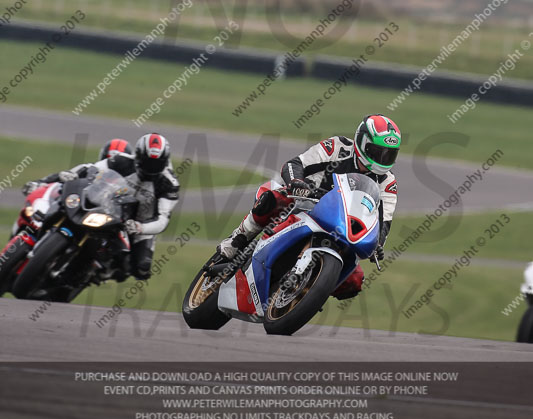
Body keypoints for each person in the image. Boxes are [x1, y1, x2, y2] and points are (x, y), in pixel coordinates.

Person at [218, 114, 401, 300]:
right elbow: (295, 164)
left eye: (389, 154)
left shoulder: (388, 182)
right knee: (273, 200)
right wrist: (297, 182)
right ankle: (238, 238)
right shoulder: (337, 147)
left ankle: (308, 292)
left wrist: (378, 243)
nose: (383, 159)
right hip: (306, 203)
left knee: (354, 281)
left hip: (342, 227)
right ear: (362, 142)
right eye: (378, 151)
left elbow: (384, 221)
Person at [23, 133, 179, 280]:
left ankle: (102, 271)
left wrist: (140, 227)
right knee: (69, 201)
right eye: (148, 162)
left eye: (156, 164)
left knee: (141, 268)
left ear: (165, 161)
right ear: (138, 156)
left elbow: (163, 219)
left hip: (140, 223)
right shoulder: (122, 161)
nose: (151, 168)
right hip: (111, 207)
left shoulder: (169, 184)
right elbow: (92, 168)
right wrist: (74, 174)